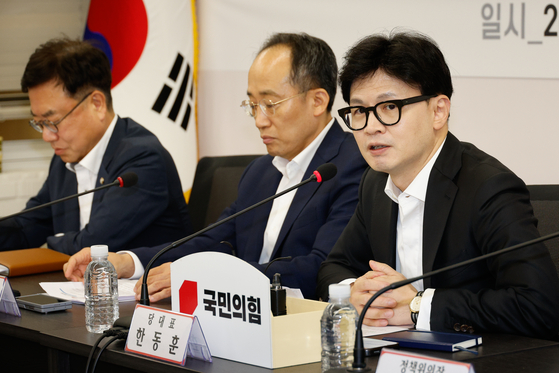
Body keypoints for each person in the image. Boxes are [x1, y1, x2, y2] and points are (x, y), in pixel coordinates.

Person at [64, 32, 367, 301]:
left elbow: (321, 268)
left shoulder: (354, 166)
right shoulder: (260, 172)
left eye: (270, 104)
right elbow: (213, 241)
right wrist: (130, 262)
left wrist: (208, 277)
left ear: (317, 101)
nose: (260, 119)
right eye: (252, 105)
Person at [316, 31, 559, 339]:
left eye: (390, 107)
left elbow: (540, 305)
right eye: (360, 111)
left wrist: (418, 306)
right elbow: (333, 267)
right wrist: (355, 292)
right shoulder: (376, 183)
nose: (371, 127)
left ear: (439, 111)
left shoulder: (488, 188)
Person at [0, 38, 192, 255]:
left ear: (97, 104)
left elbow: (93, 246)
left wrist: (52, 243)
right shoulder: (65, 158)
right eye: (39, 123)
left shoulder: (143, 159)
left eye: (52, 121)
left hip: (145, 288)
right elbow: (28, 227)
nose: (47, 136)